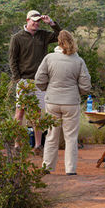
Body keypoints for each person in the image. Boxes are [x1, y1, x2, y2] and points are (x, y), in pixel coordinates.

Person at [35, 30, 91, 175]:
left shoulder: (49, 58)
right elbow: (86, 86)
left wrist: (49, 89)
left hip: (52, 101)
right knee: (71, 137)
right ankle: (70, 170)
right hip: (71, 103)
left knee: (52, 135)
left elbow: (39, 80)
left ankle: (47, 167)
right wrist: (75, 92)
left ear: (58, 42)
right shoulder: (78, 61)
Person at [9, 10, 61, 155]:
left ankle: (38, 146)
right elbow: (13, 60)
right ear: (27, 20)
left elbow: (61, 36)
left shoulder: (43, 35)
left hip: (39, 81)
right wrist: (18, 79)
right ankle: (17, 144)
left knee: (37, 114)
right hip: (24, 80)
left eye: (38, 21)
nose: (36, 23)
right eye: (34, 21)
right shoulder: (17, 38)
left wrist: (51, 23)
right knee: (20, 113)